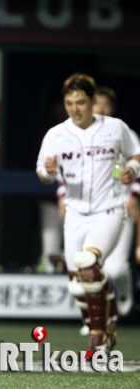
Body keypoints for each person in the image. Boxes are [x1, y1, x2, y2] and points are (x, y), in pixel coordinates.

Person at [37, 73, 140, 352]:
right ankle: (108, 321)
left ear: (93, 101)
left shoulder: (115, 128)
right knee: (77, 286)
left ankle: (99, 336)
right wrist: (47, 171)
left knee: (88, 262)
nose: (75, 108)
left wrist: (132, 170)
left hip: (109, 209)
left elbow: (136, 154)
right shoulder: (56, 134)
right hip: (75, 213)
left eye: (81, 101)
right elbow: (43, 174)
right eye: (70, 102)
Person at [58, 85, 136, 336]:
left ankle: (122, 293)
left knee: (114, 268)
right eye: (97, 103)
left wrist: (134, 194)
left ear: (112, 108)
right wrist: (62, 197)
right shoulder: (71, 133)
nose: (101, 108)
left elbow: (138, 158)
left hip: (116, 207)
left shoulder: (121, 130)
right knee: (79, 274)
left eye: (106, 104)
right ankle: (96, 319)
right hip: (81, 211)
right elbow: (63, 169)